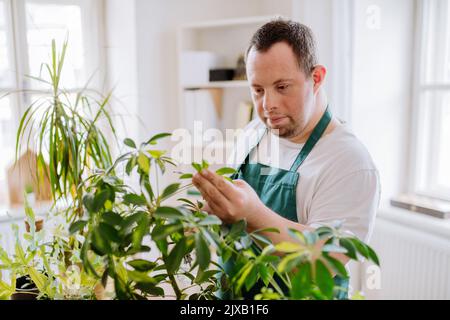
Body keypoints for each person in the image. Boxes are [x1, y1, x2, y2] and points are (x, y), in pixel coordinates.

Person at [192, 18, 381, 299]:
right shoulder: (252, 133)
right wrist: (216, 214)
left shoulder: (350, 163)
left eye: (282, 87)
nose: (268, 105)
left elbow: (320, 264)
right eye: (258, 90)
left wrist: (253, 214)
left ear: (316, 78)